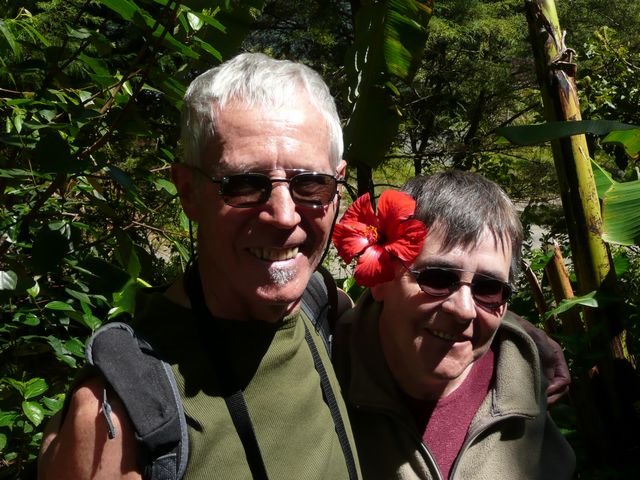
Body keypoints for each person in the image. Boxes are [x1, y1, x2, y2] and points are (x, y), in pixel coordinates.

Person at [37, 52, 361, 479]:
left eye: (311, 183)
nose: (284, 216)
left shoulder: (324, 308)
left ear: (337, 189)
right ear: (188, 191)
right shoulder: (116, 413)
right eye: (244, 184)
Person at [332, 170, 576, 479]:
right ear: (381, 278)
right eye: (437, 278)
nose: (464, 310)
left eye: (488, 288)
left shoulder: (530, 383)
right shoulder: (327, 369)